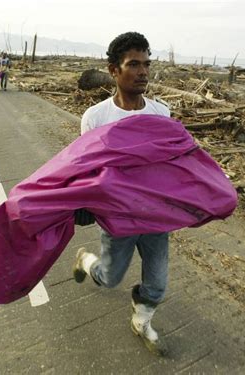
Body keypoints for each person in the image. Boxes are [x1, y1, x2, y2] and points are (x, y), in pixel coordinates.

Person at [73, 32, 170, 356]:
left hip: (155, 215)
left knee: (157, 282)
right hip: (117, 217)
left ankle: (141, 320)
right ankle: (86, 260)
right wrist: (84, 202)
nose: (143, 72)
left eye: (146, 64)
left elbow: (171, 165)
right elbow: (86, 166)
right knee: (109, 278)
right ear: (114, 70)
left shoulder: (162, 114)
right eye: (133, 65)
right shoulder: (96, 118)